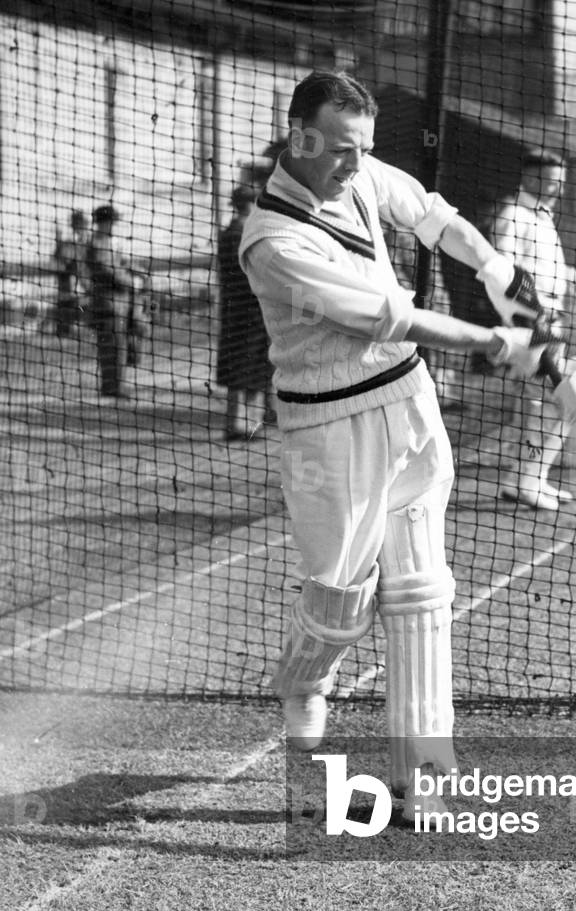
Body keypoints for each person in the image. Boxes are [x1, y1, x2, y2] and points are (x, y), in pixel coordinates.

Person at [238, 70, 552, 821]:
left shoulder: (363, 170)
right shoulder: (272, 239)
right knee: (340, 602)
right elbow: (390, 318)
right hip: (327, 429)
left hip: (409, 407)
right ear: (300, 135)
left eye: (365, 148)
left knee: (420, 593)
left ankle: (427, 777)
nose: (356, 164)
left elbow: (436, 218)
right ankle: (305, 679)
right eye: (343, 149)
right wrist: (496, 339)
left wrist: (502, 271)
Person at [489, 150, 576, 510]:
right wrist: (527, 317)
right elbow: (502, 272)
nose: (559, 188)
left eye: (562, 181)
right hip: (531, 323)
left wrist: (573, 276)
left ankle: (527, 479)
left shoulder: (542, 216)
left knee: (551, 403)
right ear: (531, 178)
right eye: (552, 180)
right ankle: (527, 481)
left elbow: (539, 267)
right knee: (554, 400)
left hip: (552, 317)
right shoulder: (514, 214)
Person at [217, 184, 274, 441]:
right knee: (250, 366)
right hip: (252, 308)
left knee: (241, 366)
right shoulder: (245, 232)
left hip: (234, 308)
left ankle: (244, 422)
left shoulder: (229, 231)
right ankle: (242, 424)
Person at [86, 204, 137, 399]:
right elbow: (107, 272)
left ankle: (115, 385)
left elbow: (117, 265)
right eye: (112, 222)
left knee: (117, 346)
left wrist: (130, 268)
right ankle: (113, 387)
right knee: (112, 347)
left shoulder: (105, 243)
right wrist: (130, 281)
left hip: (116, 303)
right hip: (108, 304)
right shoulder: (98, 244)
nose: (114, 226)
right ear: (105, 223)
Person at [53, 210, 89, 337]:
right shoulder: (68, 244)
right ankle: (65, 329)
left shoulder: (84, 242)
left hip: (81, 287)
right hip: (70, 288)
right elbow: (62, 259)